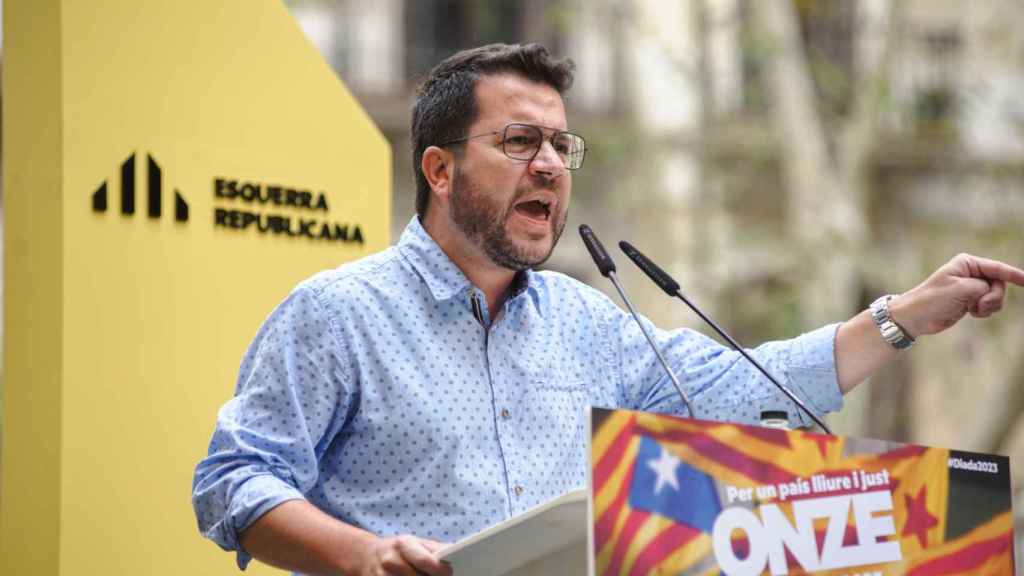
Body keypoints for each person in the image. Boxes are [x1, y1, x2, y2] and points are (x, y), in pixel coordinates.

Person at [191, 43, 1024, 576]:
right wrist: (363, 554)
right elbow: (233, 479)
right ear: (439, 171)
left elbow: (745, 384)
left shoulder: (591, 321)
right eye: (519, 142)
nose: (551, 165)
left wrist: (904, 316)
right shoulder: (338, 314)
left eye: (561, 145)